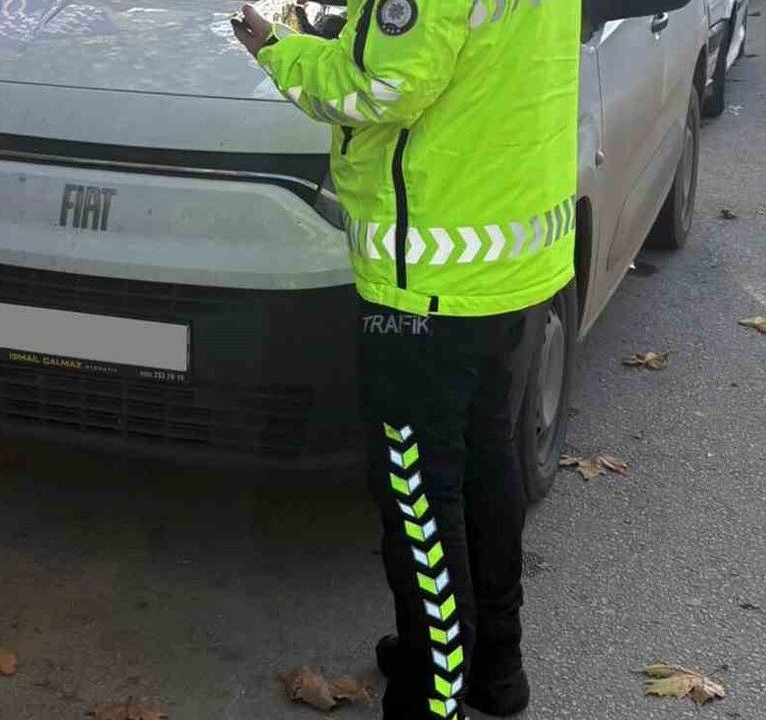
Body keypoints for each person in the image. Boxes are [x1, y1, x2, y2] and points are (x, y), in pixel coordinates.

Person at [234, 1, 578, 718]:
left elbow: (379, 90)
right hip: (509, 262)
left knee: (420, 493)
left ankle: (433, 691)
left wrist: (275, 47)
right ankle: (494, 665)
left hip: (426, 283)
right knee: (486, 463)